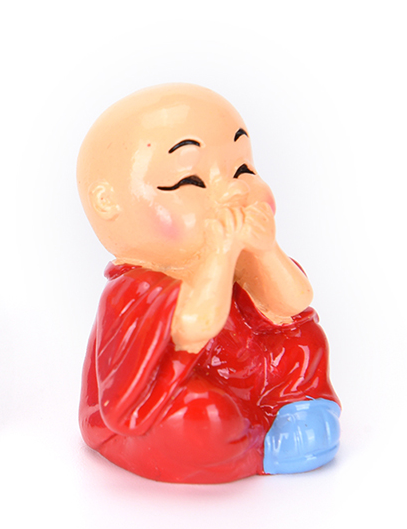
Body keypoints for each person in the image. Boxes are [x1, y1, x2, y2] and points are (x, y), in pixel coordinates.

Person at [76, 84, 339, 483]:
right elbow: (197, 325)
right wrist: (219, 254)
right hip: (152, 404)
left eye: (243, 170)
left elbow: (295, 302)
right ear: (108, 204)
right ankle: (260, 446)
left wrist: (267, 251)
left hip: (244, 372)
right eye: (191, 182)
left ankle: (294, 408)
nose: (233, 191)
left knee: (302, 340)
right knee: (200, 416)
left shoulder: (245, 258)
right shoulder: (136, 289)